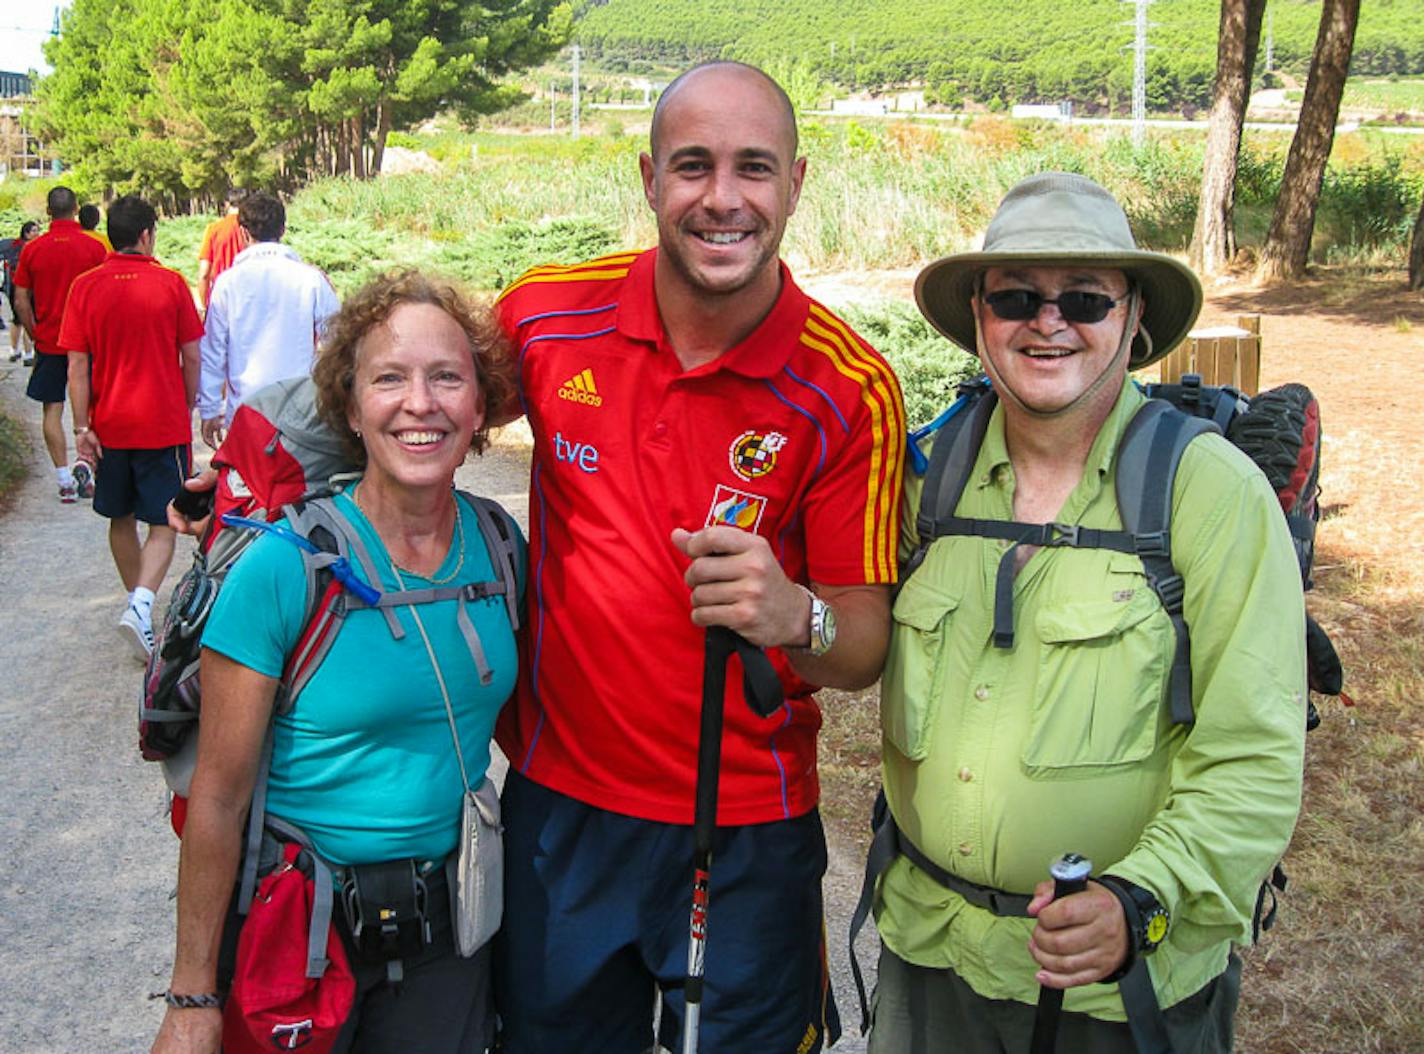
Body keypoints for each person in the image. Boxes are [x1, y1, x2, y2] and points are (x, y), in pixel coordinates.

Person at [492, 61, 904, 1053]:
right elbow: (407, 412)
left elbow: (858, 649)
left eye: (753, 168)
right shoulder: (545, 319)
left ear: (796, 184)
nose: (722, 199)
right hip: (561, 816)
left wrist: (791, 614)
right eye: (692, 166)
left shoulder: (850, 389)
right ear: (646, 179)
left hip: (746, 830)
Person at [864, 172, 1307, 1052]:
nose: (1048, 320)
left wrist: (1136, 900)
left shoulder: (1208, 493)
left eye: (1085, 299)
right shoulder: (929, 476)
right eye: (1018, 297)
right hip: (930, 959)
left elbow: (1255, 756)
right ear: (981, 318)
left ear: (1134, 315)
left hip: (1117, 992)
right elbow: (844, 632)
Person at [150, 271, 522, 1054]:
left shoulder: (499, 549)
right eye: (389, 379)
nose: (419, 403)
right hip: (297, 941)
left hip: (446, 946)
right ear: (351, 410)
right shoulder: (286, 568)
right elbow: (217, 799)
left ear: (480, 405)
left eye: (447, 377)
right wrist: (191, 998)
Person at [60, 195, 203, 658]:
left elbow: (76, 366)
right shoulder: (171, 283)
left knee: (119, 516)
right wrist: (186, 405)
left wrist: (82, 427)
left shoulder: (85, 287)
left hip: (110, 423)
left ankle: (137, 606)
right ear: (146, 234)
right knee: (164, 521)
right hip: (161, 422)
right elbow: (192, 355)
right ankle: (142, 606)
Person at [197, 190, 339, 448]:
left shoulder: (227, 283)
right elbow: (339, 339)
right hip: (300, 410)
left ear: (243, 232)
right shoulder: (311, 279)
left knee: (247, 485)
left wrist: (209, 410)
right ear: (283, 229)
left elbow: (212, 352)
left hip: (245, 413)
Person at [13, 186, 108, 502]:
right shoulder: (93, 247)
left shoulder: (33, 249)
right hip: (88, 342)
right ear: (76, 208)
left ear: (48, 211)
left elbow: (21, 299)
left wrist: (35, 331)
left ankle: (64, 478)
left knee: (52, 408)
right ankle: (90, 466)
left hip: (50, 340)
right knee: (94, 407)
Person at [196, 188, 246, 310]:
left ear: (226, 204)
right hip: (247, 297)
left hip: (221, 299)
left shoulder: (214, 229)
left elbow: (203, 273)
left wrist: (205, 305)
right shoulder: (252, 230)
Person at [3, 220, 40, 364]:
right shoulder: (30, 248)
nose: (37, 233)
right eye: (34, 231)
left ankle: (15, 350)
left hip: (13, 285)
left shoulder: (14, 246)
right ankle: (28, 352)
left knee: (17, 319)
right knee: (27, 316)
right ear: (27, 233)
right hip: (26, 286)